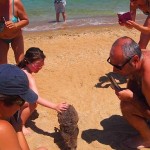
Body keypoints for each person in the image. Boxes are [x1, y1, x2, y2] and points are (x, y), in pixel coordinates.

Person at [107, 36, 150, 149]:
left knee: (127, 106)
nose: (114, 71)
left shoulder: (148, 78)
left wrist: (132, 98)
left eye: (118, 66)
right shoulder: (141, 56)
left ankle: (148, 139)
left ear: (135, 60)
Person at [17, 47, 68, 135]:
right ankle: (19, 126)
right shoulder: (28, 75)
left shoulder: (19, 68)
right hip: (5, 102)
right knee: (32, 103)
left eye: (42, 65)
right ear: (28, 62)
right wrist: (55, 106)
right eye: (37, 65)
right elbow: (36, 98)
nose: (40, 67)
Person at [0, 64, 47, 150]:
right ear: (3, 103)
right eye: (20, 101)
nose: (20, 107)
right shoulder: (2, 128)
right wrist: (18, 130)